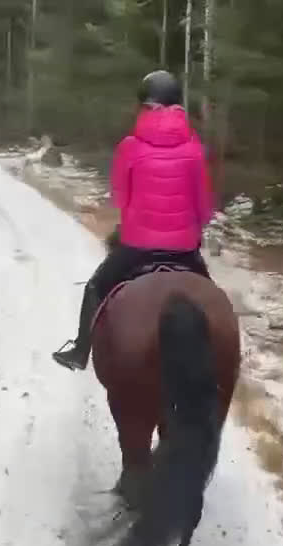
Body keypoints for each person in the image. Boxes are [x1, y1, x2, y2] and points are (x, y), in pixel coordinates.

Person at [51, 69, 215, 371]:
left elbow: (120, 199)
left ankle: (80, 351)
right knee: (214, 304)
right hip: (184, 250)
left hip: (138, 248)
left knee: (95, 287)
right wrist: (190, 230)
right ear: (177, 106)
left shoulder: (130, 146)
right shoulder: (195, 149)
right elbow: (204, 208)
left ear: (147, 106)